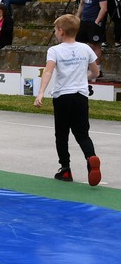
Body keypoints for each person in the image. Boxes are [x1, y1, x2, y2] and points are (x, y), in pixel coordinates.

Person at [34, 14, 101, 185]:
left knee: (62, 135)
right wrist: (84, 77)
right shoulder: (86, 48)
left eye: (55, 30)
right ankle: (91, 157)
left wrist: (41, 92)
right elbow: (95, 73)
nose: (55, 33)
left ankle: (65, 169)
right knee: (82, 134)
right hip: (80, 96)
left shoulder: (55, 50)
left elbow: (48, 71)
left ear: (61, 32)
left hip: (62, 96)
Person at [76, 0, 108, 72]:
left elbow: (103, 8)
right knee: (80, 43)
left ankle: (97, 69)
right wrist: (77, 17)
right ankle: (83, 67)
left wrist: (97, 22)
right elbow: (82, 4)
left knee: (95, 45)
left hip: (93, 20)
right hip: (84, 20)